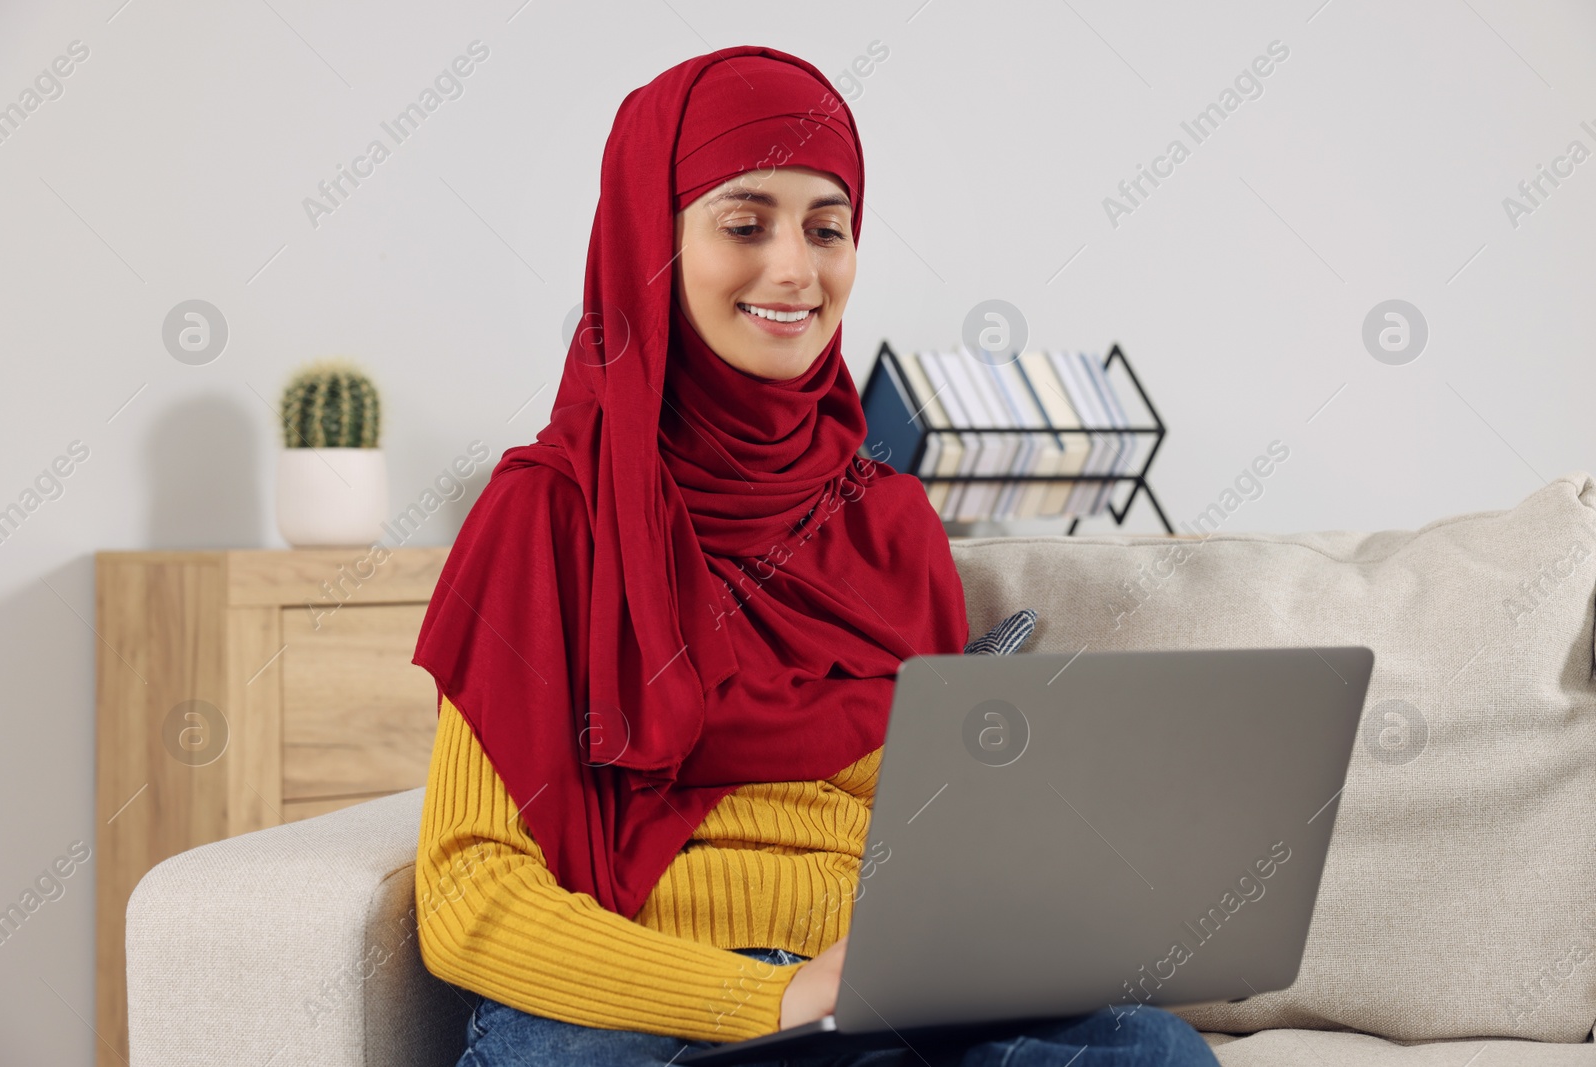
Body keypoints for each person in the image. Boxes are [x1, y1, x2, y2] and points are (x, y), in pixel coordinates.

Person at [409, 44, 1222, 1067]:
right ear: (646, 243)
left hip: (874, 998)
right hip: (645, 1001)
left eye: (826, 228)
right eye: (744, 224)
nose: (795, 269)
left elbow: (935, 848)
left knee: (1155, 1048)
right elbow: (469, 892)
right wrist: (773, 997)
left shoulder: (888, 522)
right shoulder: (547, 509)